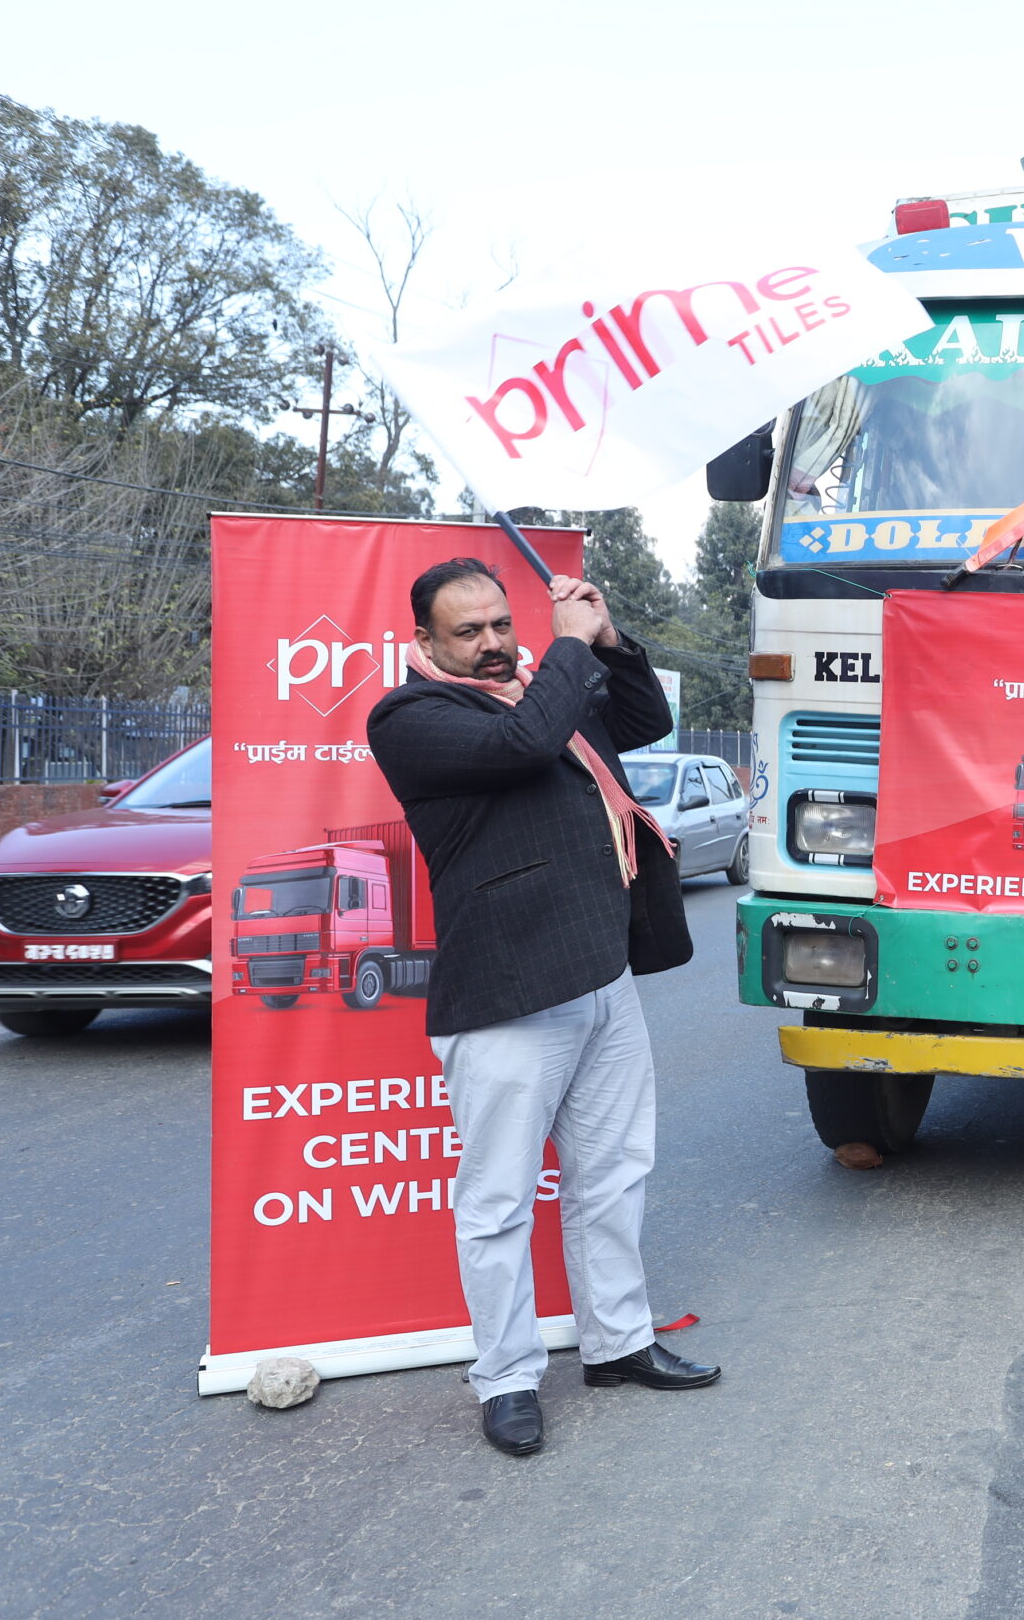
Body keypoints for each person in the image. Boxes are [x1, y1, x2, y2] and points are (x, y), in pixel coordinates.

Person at [366, 557, 717, 1458]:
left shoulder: (543, 685)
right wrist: (561, 651)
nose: (491, 644)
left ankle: (618, 1341)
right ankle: (508, 1377)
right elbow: (521, 747)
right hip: (507, 994)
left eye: (498, 624)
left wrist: (607, 639)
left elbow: (646, 718)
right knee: (497, 1200)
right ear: (424, 643)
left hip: (602, 973)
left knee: (615, 1173)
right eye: (468, 632)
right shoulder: (410, 718)